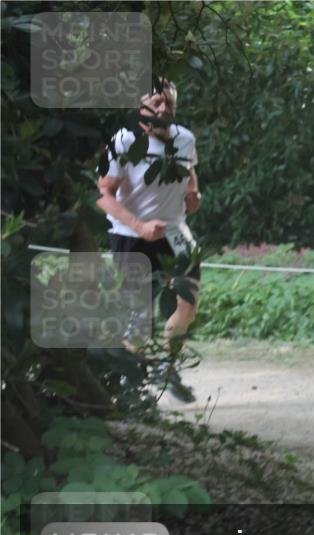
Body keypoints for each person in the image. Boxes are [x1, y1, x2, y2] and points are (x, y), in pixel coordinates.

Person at [97, 79, 202, 401]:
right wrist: (139, 226)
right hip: (131, 234)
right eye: (156, 102)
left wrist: (192, 192)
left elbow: (190, 170)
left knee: (190, 302)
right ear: (141, 109)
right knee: (139, 316)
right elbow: (104, 195)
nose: (163, 108)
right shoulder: (124, 140)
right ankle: (132, 383)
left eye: (168, 102)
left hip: (175, 231)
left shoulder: (185, 138)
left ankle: (167, 368)